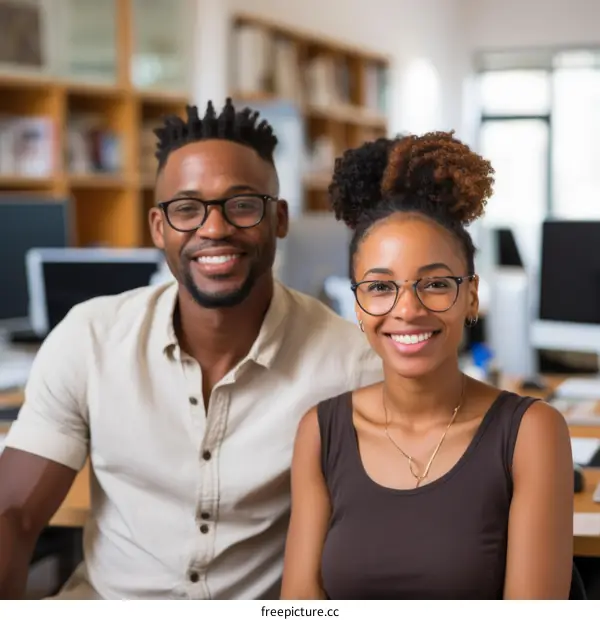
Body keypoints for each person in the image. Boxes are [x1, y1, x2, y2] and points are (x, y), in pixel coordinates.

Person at [0, 99, 382, 600]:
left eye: (242, 204)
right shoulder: (90, 338)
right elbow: (14, 514)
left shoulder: (349, 364)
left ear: (280, 219)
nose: (214, 228)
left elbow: (380, 548)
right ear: (159, 227)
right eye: (186, 209)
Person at [280, 131, 574, 600]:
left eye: (435, 284)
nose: (408, 309)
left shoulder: (531, 432)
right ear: (356, 305)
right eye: (379, 287)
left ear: (471, 295)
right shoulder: (321, 430)